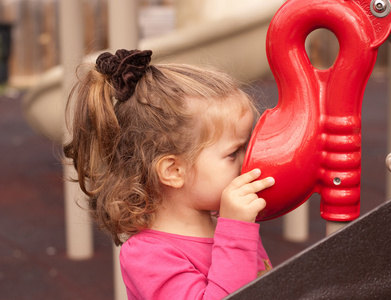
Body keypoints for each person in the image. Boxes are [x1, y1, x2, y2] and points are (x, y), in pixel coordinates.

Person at [63, 49, 275, 299]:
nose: (247, 160)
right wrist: (236, 232)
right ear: (174, 171)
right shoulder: (149, 255)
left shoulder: (226, 225)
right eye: (233, 153)